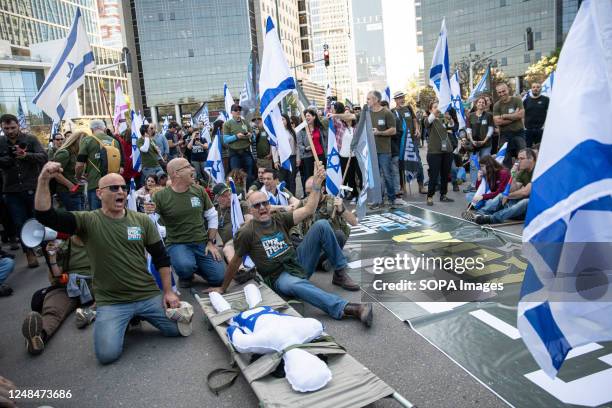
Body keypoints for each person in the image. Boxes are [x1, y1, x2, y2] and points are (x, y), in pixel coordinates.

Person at [34, 163, 181, 365]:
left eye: (123, 187)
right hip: (113, 302)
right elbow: (45, 216)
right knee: (107, 355)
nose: (120, 191)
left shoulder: (142, 221)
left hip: (147, 295)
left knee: (179, 329)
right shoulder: (87, 221)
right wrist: (43, 179)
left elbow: (161, 257)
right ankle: (123, 319)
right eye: (113, 188)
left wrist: (168, 292)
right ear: (100, 193)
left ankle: (137, 316)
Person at [207, 164, 373, 327]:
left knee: (322, 225)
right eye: (257, 206)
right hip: (279, 278)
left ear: (269, 205)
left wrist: (316, 185)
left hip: (297, 265)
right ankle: (348, 308)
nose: (262, 208)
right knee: (294, 284)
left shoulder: (278, 218)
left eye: (265, 203)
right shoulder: (247, 232)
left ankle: (339, 272)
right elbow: (236, 261)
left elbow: (308, 209)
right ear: (250, 210)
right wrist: (223, 287)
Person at [146, 158, 225, 288]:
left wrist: (211, 242)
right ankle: (187, 274)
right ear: (176, 173)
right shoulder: (160, 196)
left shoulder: (199, 191)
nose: (193, 169)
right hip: (177, 244)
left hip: (201, 243)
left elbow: (212, 215)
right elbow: (153, 224)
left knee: (219, 278)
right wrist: (148, 213)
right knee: (185, 266)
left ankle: (195, 265)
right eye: (187, 166)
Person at [21, 236, 95, 355]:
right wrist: (52, 256)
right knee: (53, 310)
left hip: (96, 285)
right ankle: (38, 336)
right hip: (71, 288)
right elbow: (57, 274)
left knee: (116, 297)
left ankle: (92, 312)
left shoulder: (99, 238)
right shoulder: (65, 245)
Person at [0, 113, 47, 267]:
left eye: (13, 127)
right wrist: (10, 158)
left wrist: (25, 155)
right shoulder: (1, 142)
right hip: (11, 190)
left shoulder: (30, 139)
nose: (10, 131)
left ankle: (45, 250)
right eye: (6, 128)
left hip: (32, 187)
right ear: (2, 127)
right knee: (20, 223)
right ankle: (29, 253)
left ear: (18, 125)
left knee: (37, 219)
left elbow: (43, 157)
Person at [474, 148, 535, 224]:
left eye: (522, 159)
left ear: (531, 159)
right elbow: (513, 189)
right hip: (517, 206)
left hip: (532, 209)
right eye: (518, 159)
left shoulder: (537, 171)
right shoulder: (523, 171)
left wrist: (507, 196)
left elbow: (525, 192)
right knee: (501, 195)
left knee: (526, 201)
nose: (518, 161)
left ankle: (492, 218)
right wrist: (513, 175)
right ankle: (479, 214)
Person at [367, 91, 406, 209]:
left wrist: (379, 132)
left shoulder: (387, 113)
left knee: (388, 175)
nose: (367, 101)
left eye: (368, 99)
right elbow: (352, 116)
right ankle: (378, 201)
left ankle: (392, 199)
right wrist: (336, 115)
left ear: (375, 100)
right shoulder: (367, 113)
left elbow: (393, 130)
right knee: (376, 177)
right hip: (372, 152)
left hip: (385, 151)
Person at [75, 119, 123, 210]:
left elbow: (79, 165)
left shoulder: (87, 140)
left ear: (91, 130)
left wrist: (78, 177)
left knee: (97, 215)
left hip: (96, 184)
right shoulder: (114, 141)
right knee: (113, 212)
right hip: (113, 184)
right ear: (104, 129)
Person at [392, 91, 426, 194]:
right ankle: (403, 187)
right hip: (400, 143)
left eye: (403, 97)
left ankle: (421, 186)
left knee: (418, 162)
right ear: (395, 100)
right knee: (401, 164)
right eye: (399, 98)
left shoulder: (409, 108)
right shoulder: (392, 111)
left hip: (412, 140)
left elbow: (415, 119)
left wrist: (417, 129)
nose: (402, 99)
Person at [424, 101, 454, 206]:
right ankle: (430, 196)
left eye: (438, 107)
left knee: (445, 174)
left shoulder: (442, 118)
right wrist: (437, 110)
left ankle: (443, 195)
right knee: (434, 175)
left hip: (447, 151)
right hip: (434, 152)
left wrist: (449, 118)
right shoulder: (428, 120)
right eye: (435, 107)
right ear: (430, 110)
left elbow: (452, 125)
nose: (437, 109)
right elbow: (428, 121)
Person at [465, 96, 495, 192]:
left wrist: (485, 140)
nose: (481, 104)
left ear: (485, 105)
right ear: (476, 104)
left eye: (483, 102)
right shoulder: (471, 115)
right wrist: (472, 140)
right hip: (474, 145)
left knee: (485, 164)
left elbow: (491, 129)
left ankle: (486, 183)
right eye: (479, 102)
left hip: (486, 144)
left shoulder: (489, 115)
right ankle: (474, 184)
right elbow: (468, 130)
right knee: (473, 164)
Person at [493, 83, 525, 168]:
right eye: (499, 92)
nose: (502, 93)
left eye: (504, 91)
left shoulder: (517, 100)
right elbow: (497, 122)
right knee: (505, 158)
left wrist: (504, 116)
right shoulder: (496, 105)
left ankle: (521, 177)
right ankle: (508, 178)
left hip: (519, 133)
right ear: (497, 93)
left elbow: (521, 115)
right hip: (505, 134)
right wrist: (514, 116)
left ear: (508, 90)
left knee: (522, 156)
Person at [53, 130, 86, 211]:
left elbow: (72, 171)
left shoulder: (76, 152)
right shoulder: (64, 153)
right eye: (84, 141)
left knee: (81, 219)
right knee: (76, 220)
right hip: (68, 192)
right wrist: (70, 185)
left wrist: (82, 176)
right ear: (77, 141)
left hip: (79, 190)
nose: (86, 144)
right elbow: (55, 173)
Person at [223, 104, 255, 186]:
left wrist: (250, 135)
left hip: (246, 152)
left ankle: (249, 192)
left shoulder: (246, 122)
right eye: (235, 110)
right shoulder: (227, 124)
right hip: (234, 153)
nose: (238, 111)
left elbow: (253, 138)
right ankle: (238, 194)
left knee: (250, 174)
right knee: (236, 174)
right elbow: (225, 140)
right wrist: (236, 136)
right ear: (231, 112)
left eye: (239, 110)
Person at [297, 108, 327, 187]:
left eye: (308, 116)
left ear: (314, 117)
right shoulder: (302, 130)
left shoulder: (319, 128)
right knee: (310, 176)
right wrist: (306, 148)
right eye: (305, 116)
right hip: (308, 157)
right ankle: (310, 194)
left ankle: (322, 192)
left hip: (320, 155)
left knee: (321, 175)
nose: (307, 117)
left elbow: (325, 141)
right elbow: (299, 145)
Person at [523, 82, 550, 147]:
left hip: (541, 129)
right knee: (528, 149)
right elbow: (522, 115)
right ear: (531, 89)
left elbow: (549, 113)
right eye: (534, 87)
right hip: (528, 129)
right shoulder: (526, 100)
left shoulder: (546, 100)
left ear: (541, 88)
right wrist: (524, 127)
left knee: (540, 149)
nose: (535, 89)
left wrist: (545, 126)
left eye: (538, 87)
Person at [278, 113, 299, 195]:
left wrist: (298, 158)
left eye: (283, 119)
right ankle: (284, 196)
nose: (282, 121)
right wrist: (276, 160)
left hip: (292, 157)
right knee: (282, 178)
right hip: (282, 158)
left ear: (287, 120)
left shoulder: (292, 131)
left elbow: (297, 146)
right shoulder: (277, 132)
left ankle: (293, 196)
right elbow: (274, 147)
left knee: (291, 178)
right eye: (280, 119)